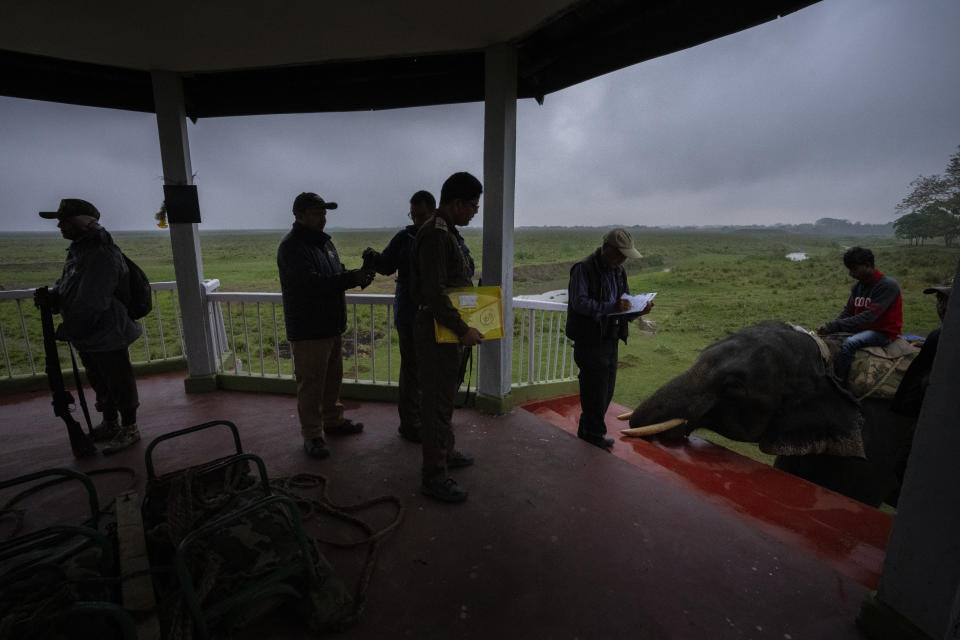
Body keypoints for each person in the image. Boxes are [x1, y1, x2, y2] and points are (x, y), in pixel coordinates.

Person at [36, 198, 142, 455]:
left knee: (118, 380)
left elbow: (93, 300)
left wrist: (72, 327)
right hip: (90, 333)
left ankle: (129, 427)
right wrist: (55, 299)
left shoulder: (100, 254)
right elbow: (72, 288)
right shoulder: (81, 251)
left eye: (64, 221)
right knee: (100, 380)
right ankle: (110, 422)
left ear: (81, 223)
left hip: (107, 332)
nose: (60, 226)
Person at [277, 192, 375, 459]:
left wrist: (356, 276)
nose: (323, 218)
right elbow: (312, 284)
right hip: (309, 330)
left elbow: (333, 276)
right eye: (316, 213)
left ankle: (332, 420)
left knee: (331, 380)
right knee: (310, 385)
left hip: (331, 325)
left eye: (324, 212)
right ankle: (312, 435)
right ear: (298, 215)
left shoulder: (325, 245)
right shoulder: (292, 247)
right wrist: (350, 279)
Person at [411, 172, 485, 503]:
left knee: (445, 398)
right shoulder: (437, 235)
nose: (474, 212)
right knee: (436, 404)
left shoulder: (446, 232)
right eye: (473, 206)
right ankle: (434, 476)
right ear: (457, 204)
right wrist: (462, 329)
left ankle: (447, 452)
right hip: (438, 331)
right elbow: (435, 292)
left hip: (446, 330)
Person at [565, 229, 652, 449]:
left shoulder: (618, 272)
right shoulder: (583, 269)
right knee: (595, 389)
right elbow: (580, 303)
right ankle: (594, 435)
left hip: (611, 338)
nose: (622, 260)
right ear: (606, 248)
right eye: (619, 254)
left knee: (606, 389)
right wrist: (611, 307)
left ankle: (587, 430)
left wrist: (638, 310)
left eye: (625, 256)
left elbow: (623, 304)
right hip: (590, 340)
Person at [362, 190, 436, 442]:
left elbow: (465, 266)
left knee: (434, 371)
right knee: (413, 370)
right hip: (409, 314)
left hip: (437, 315)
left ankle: (429, 420)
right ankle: (411, 424)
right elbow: (386, 266)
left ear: (433, 212)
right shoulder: (404, 238)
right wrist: (374, 259)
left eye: (422, 215)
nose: (416, 220)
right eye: (413, 215)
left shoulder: (444, 237)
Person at [817, 247, 902, 383]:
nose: (851, 274)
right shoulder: (858, 287)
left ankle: (839, 382)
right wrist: (831, 326)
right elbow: (848, 311)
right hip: (860, 329)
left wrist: (836, 325)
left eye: (854, 269)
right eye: (849, 269)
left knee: (850, 344)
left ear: (868, 266)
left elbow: (869, 316)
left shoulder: (888, 286)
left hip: (882, 332)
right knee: (826, 340)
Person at [892, 280, 951, 417]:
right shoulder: (939, 336)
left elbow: (914, 378)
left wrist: (902, 409)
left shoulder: (939, 337)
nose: (941, 306)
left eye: (949, 300)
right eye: (939, 299)